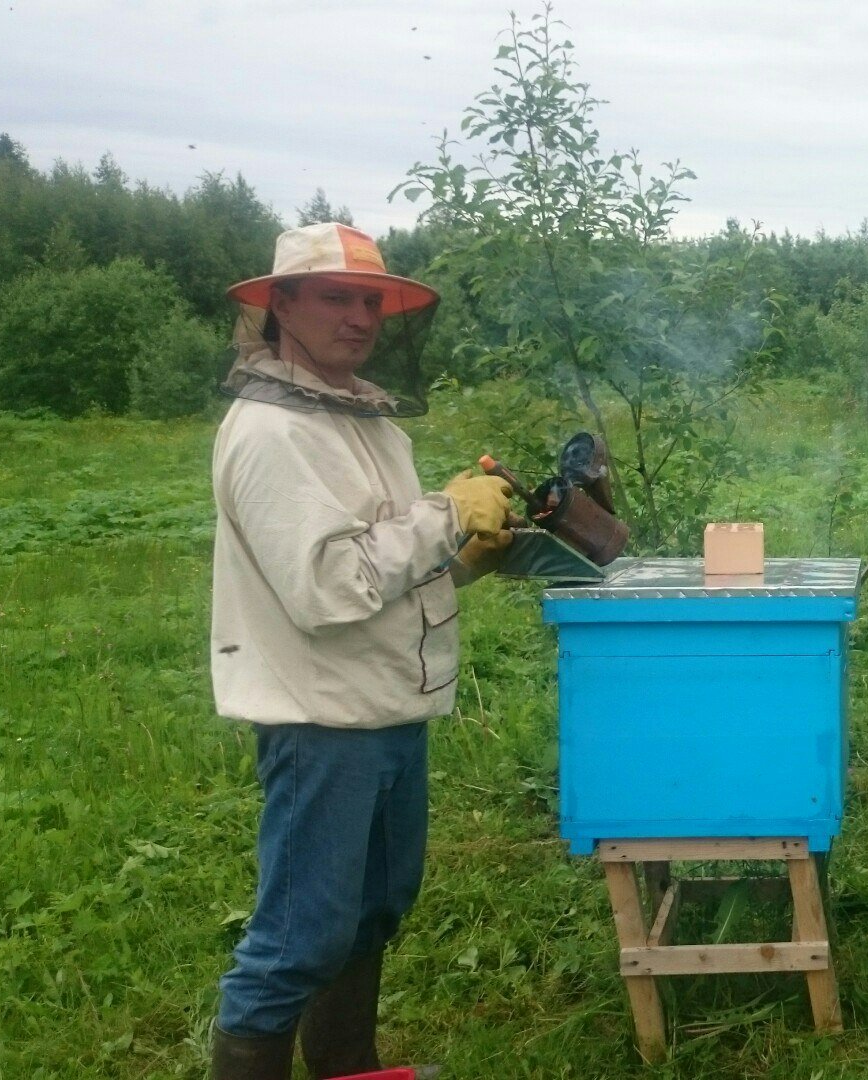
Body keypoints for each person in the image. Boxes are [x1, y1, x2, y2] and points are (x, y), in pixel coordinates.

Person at [207, 222, 514, 1080]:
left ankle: (349, 1067)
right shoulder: (273, 432)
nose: (359, 318)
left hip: (384, 703)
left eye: (371, 300)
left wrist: (466, 556)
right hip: (322, 720)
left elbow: (388, 558)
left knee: (373, 911)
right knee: (300, 935)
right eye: (336, 297)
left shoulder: (360, 416)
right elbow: (324, 587)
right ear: (281, 305)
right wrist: (448, 515)